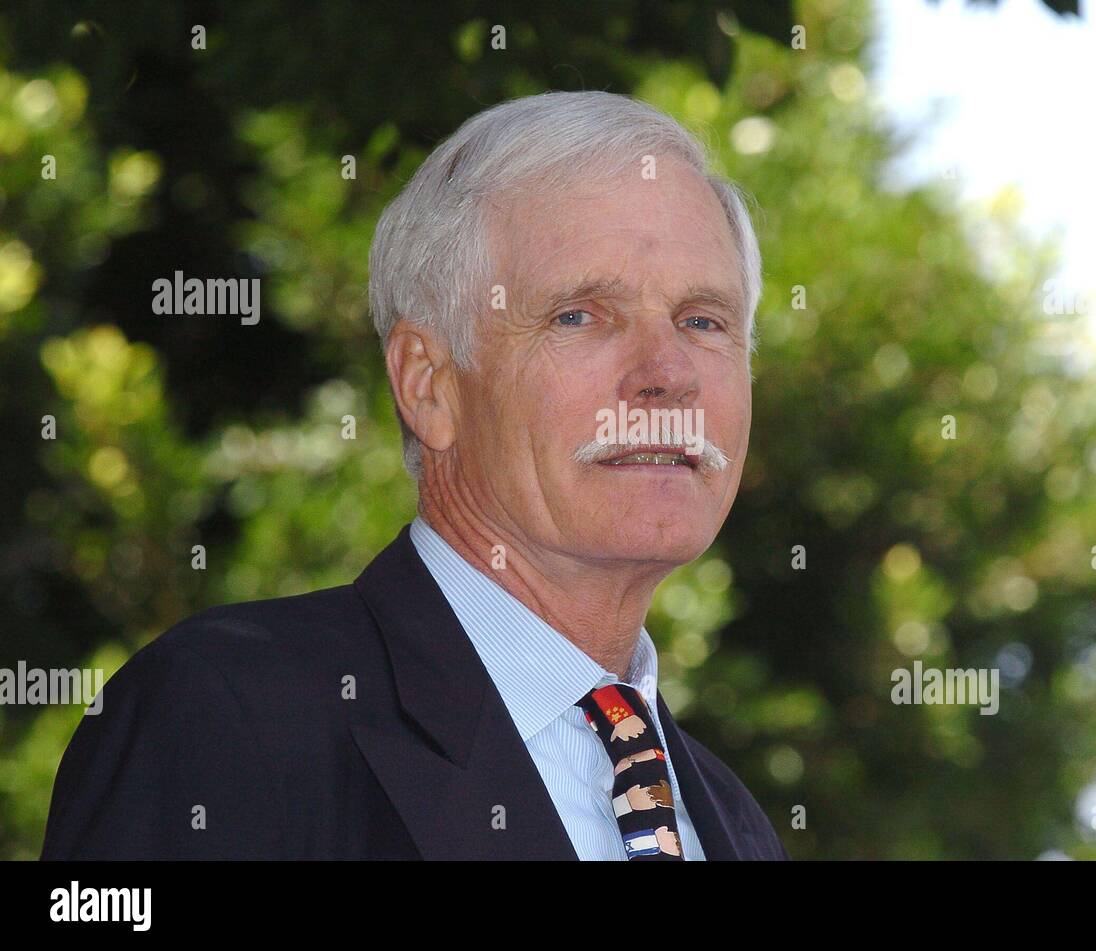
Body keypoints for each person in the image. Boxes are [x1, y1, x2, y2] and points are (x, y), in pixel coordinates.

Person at [42, 91, 787, 860]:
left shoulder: (734, 824)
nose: (667, 373)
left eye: (703, 320)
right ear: (428, 384)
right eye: (580, 315)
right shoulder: (222, 717)